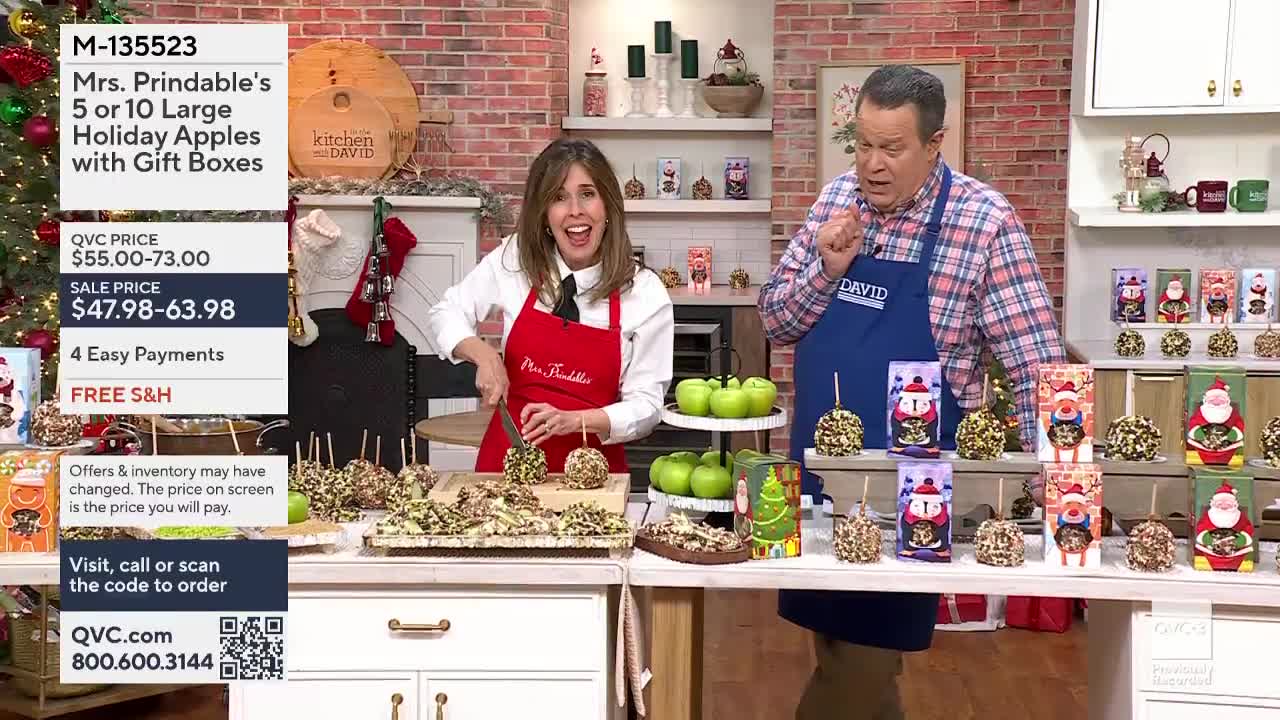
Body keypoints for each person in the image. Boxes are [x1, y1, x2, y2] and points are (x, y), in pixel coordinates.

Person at [757, 64, 1067, 718]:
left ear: (935, 144)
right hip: (816, 483)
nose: (871, 165)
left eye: (892, 148)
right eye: (863, 144)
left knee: (858, 670)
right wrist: (826, 268)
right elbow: (775, 320)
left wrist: (1063, 486)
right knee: (848, 660)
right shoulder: (833, 202)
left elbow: (1037, 362)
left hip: (911, 497)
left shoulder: (983, 224)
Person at [427, 137, 674, 472]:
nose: (575, 211)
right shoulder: (514, 260)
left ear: (608, 207)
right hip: (505, 470)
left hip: (595, 479)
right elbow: (447, 311)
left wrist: (574, 421)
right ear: (544, 214)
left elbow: (646, 408)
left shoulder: (644, 292)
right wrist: (483, 355)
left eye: (587, 194)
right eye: (559, 198)